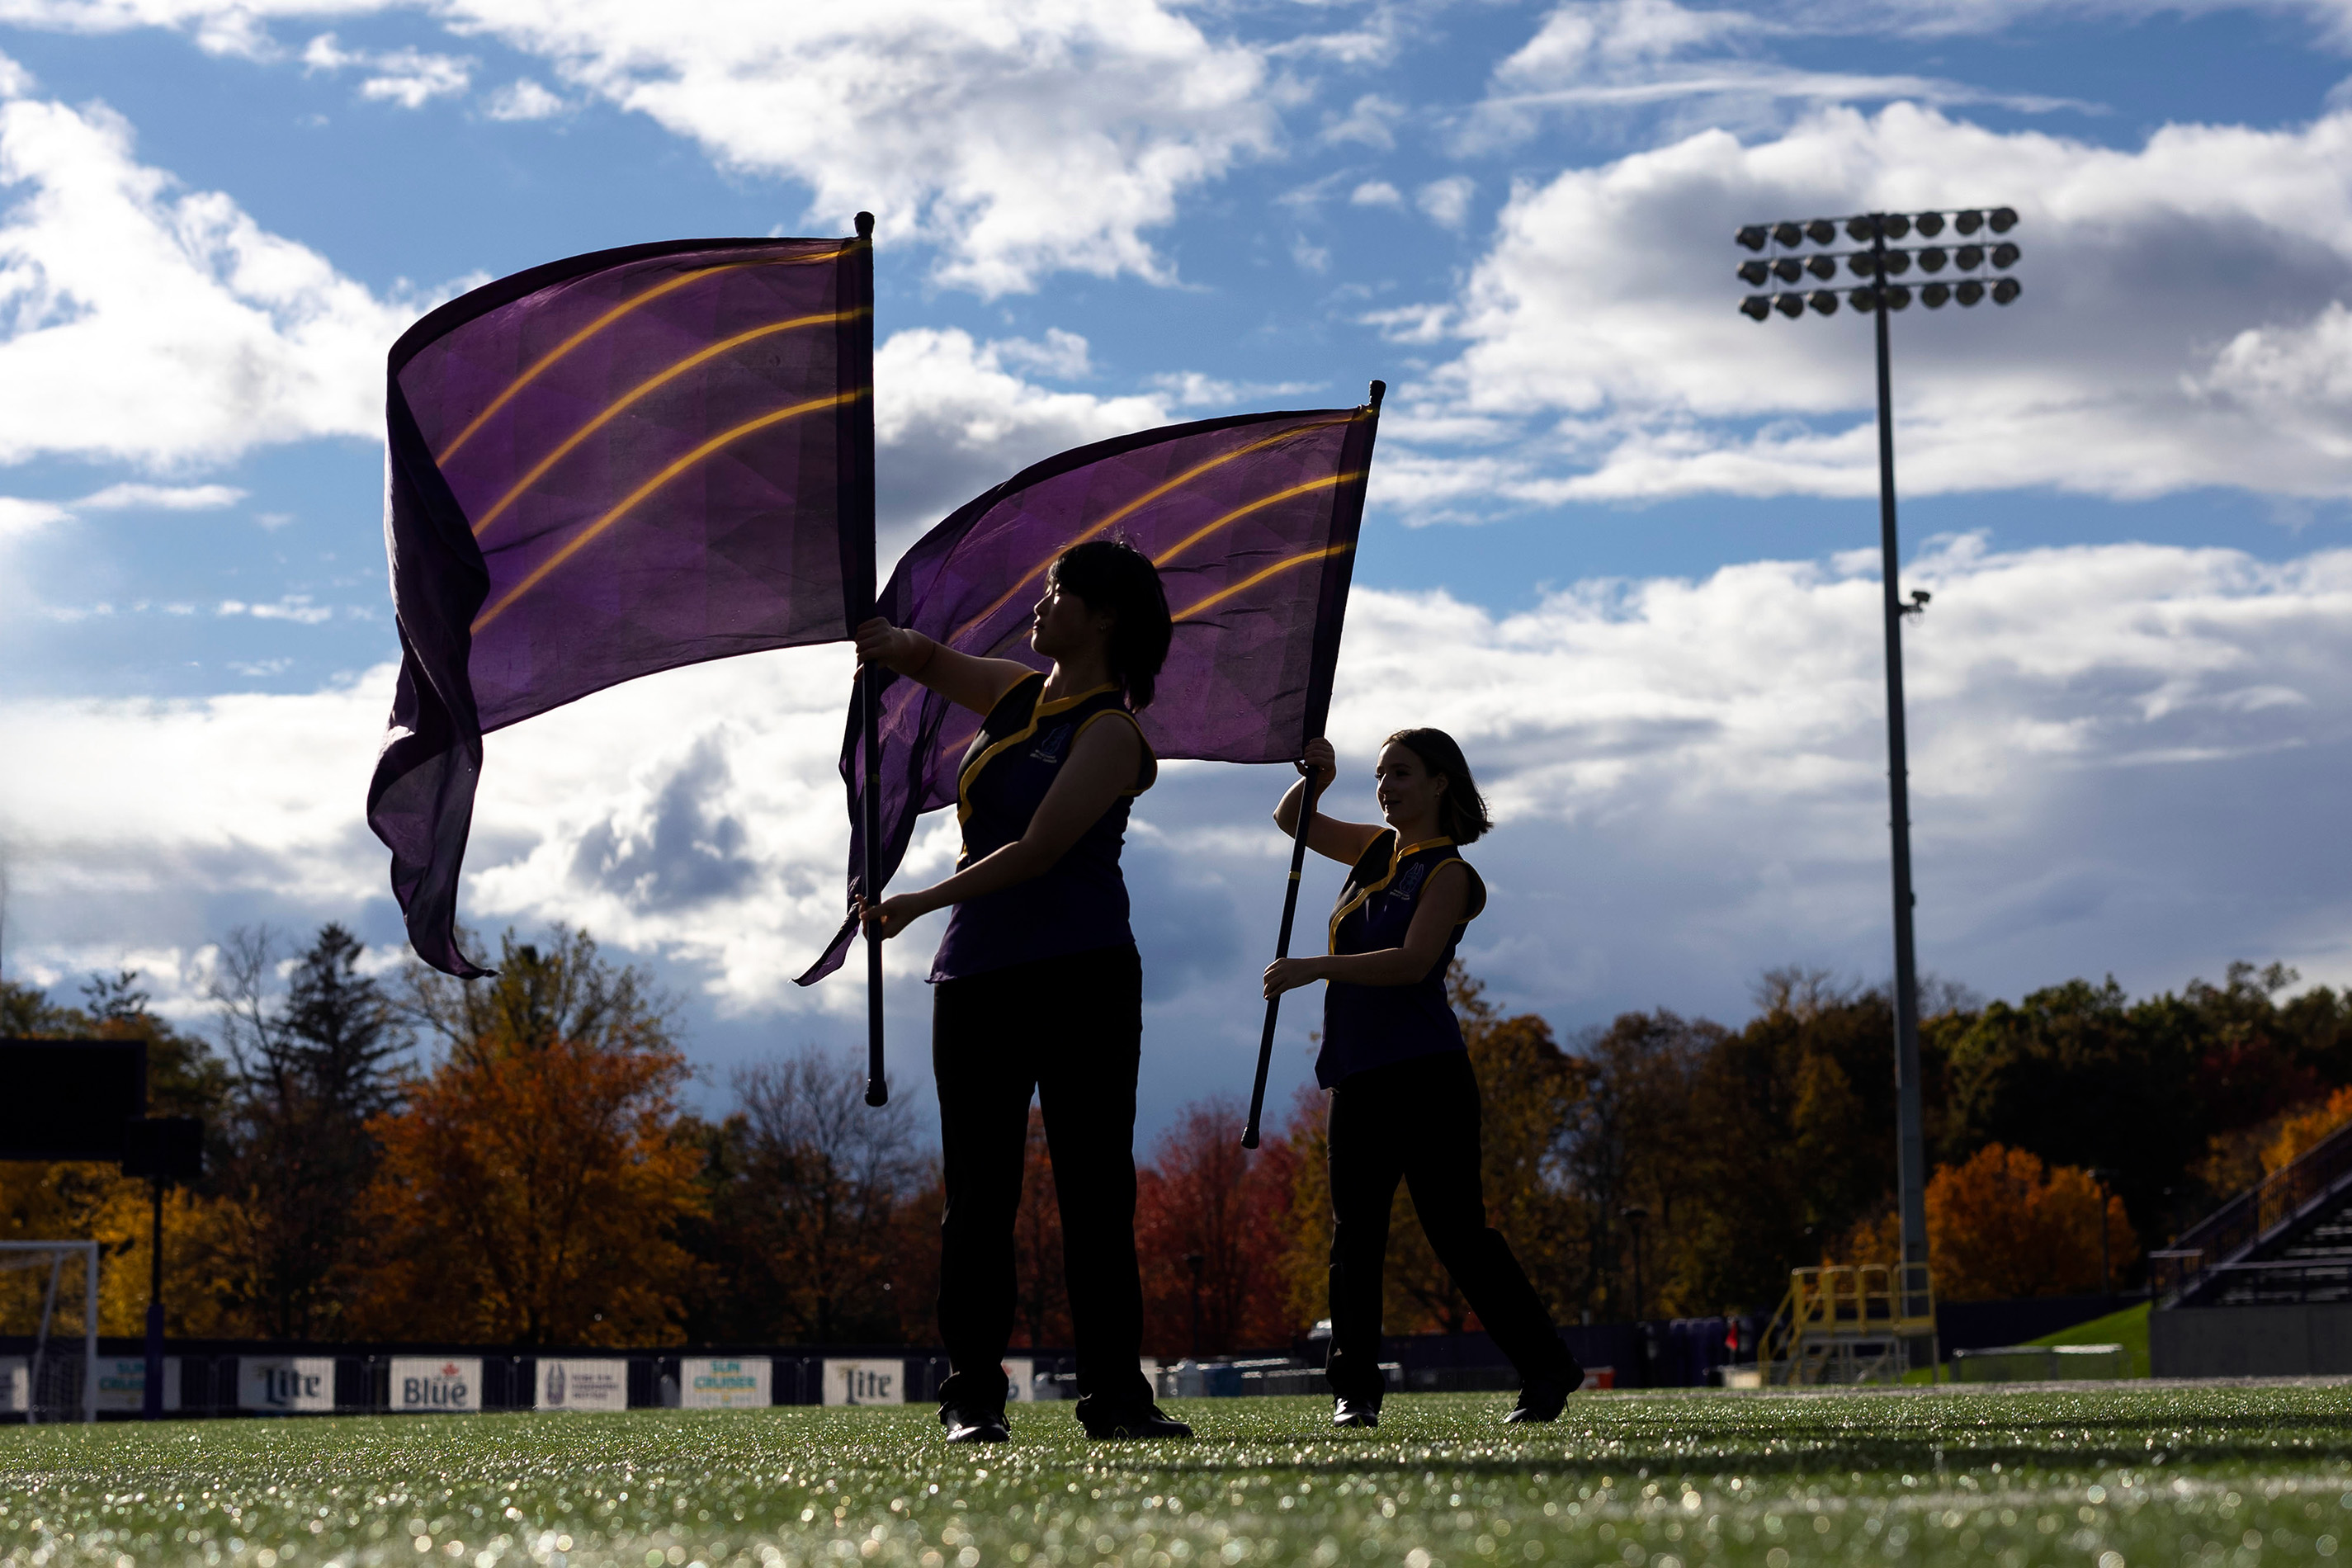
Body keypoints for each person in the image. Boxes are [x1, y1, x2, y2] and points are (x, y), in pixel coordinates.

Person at [855, 538, 1191, 1445]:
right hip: (976, 978)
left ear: (1105, 616)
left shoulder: (1112, 732)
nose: (1039, 604)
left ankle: (1115, 1395)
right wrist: (882, 636)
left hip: (1081, 977)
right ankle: (972, 1395)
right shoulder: (1012, 691)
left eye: (1056, 591)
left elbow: (1041, 848)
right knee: (978, 1195)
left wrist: (920, 898)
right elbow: (925, 659)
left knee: (1093, 1191)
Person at [1264, 730, 1585, 1429]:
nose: (1387, 787)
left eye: (1401, 773)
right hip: (1358, 1075)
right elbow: (1292, 820)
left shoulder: (1451, 876)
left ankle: (1548, 1367)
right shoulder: (1377, 849)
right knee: (1355, 1238)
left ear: (1441, 784)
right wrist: (1316, 777)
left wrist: (1315, 967)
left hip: (1427, 1077)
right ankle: (1355, 1392)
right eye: (1381, 775)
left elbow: (1411, 963)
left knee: (1458, 1236)